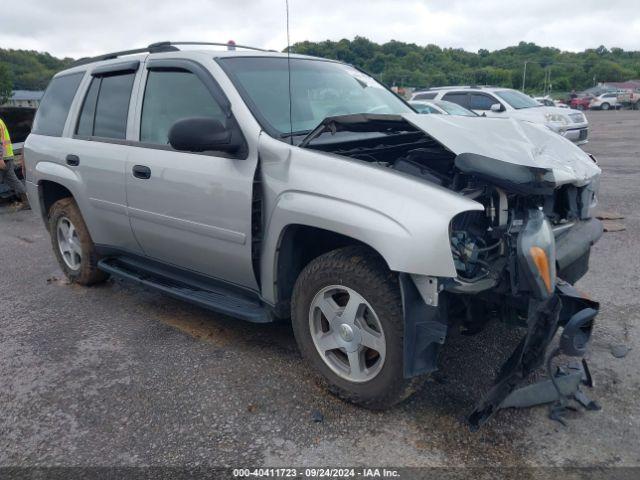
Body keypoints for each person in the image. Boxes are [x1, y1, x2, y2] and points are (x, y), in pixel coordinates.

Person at [0, 116, 28, 205]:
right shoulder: (0, 121)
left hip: (3, 158)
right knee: (13, 180)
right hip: (7, 156)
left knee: (13, 180)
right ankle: (28, 201)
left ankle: (28, 200)